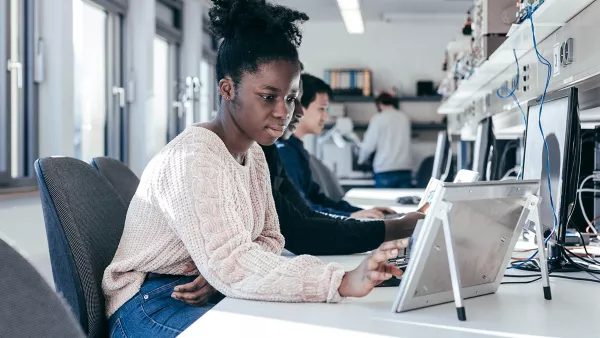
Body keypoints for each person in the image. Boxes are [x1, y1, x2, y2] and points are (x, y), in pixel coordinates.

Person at [102, 1, 418, 336]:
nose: (284, 112)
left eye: (291, 98)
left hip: (206, 288)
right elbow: (234, 262)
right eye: (269, 97)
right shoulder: (194, 158)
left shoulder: (252, 154)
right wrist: (340, 280)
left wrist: (221, 274)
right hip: (151, 302)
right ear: (228, 90)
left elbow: (269, 237)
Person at [277, 73, 393, 219]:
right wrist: (351, 216)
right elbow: (303, 211)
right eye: (321, 109)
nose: (325, 116)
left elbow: (317, 199)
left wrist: (360, 212)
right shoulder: (284, 152)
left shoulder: (296, 148)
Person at [358, 92, 413, 188]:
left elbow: (369, 145)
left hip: (384, 169)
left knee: (383, 202)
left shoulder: (378, 119)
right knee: (405, 202)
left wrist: (361, 160)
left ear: (379, 105)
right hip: (404, 168)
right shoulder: (404, 118)